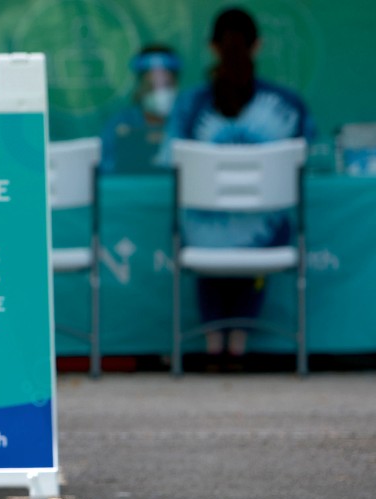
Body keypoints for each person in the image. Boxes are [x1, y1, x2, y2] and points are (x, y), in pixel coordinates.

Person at [160, 6, 315, 359]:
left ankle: (215, 347)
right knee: (258, 227)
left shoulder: (188, 106)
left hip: (199, 238)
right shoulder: (289, 105)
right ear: (258, 46)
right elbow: (305, 159)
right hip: (267, 238)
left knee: (205, 228)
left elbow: (172, 161)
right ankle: (239, 346)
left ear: (211, 47)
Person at [99, 44, 181, 174]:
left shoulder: (187, 121)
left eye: (166, 85)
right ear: (139, 85)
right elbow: (105, 169)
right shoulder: (120, 123)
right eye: (152, 85)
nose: (160, 93)